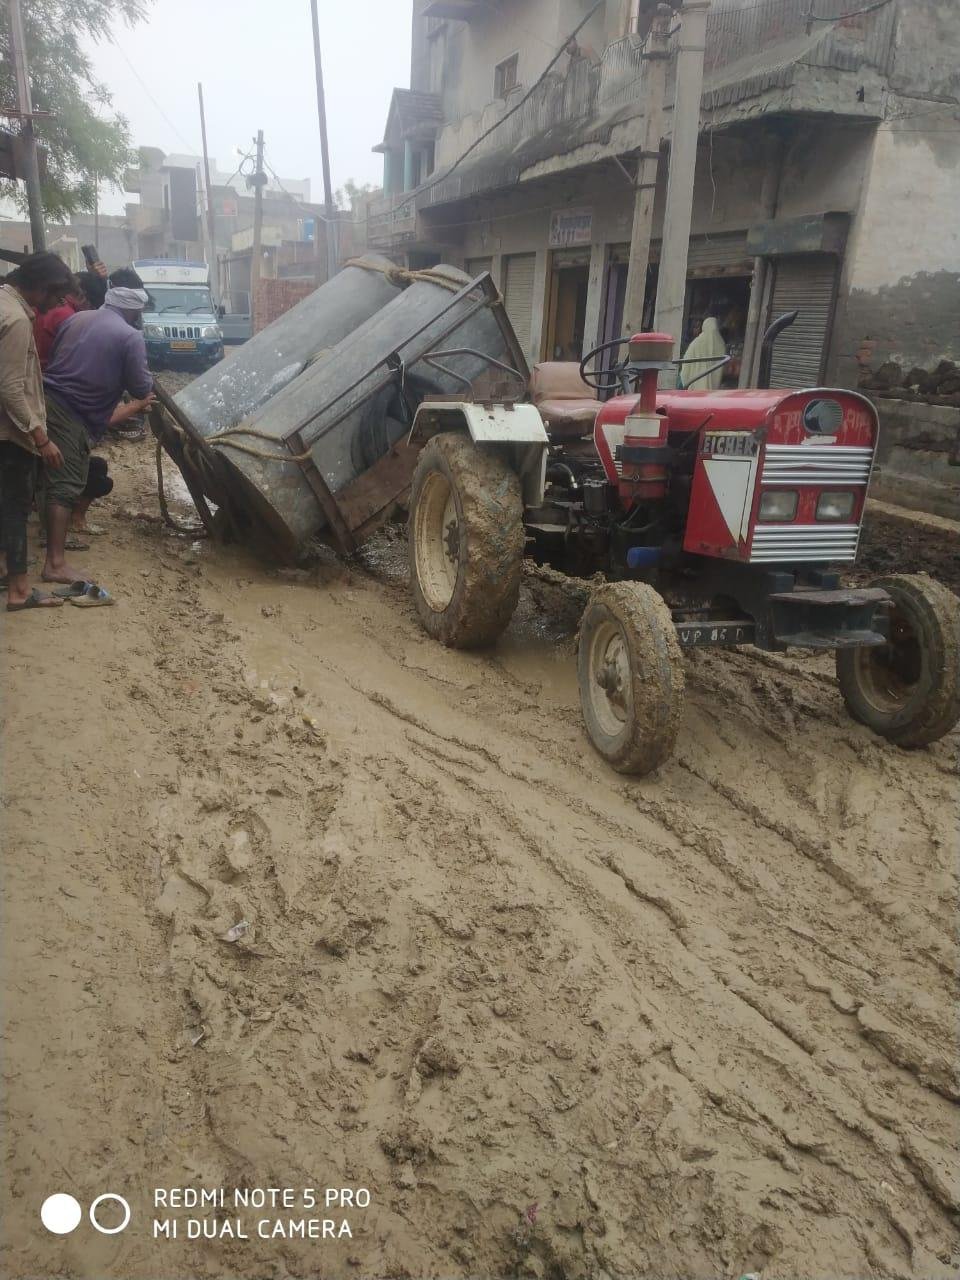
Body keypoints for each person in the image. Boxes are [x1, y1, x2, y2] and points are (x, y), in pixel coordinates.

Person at [40, 283, 155, 585]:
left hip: (46, 400)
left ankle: (50, 549)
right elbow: (142, 387)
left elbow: (57, 361)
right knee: (65, 485)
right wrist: (140, 400)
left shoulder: (76, 319)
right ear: (134, 311)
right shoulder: (130, 336)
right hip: (73, 412)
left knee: (49, 478)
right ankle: (55, 563)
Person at [0, 252, 73, 611]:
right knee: (14, 507)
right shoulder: (15, 321)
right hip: (9, 434)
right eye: (55, 297)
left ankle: (4, 571)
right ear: (41, 288)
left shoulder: (3, 303)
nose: (55, 306)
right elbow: (12, 388)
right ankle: (18, 590)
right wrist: (40, 437)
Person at [679, 313, 728, 391]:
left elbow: (686, 365)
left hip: (694, 387)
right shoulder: (721, 344)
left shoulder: (696, 343)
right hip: (712, 391)